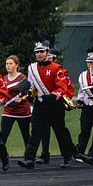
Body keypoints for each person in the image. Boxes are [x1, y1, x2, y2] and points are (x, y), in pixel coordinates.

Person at [17, 40, 77, 169]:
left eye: (41, 52)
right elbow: (32, 86)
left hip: (54, 105)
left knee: (60, 132)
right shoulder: (32, 68)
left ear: (47, 52)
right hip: (40, 104)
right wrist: (26, 94)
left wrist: (52, 95)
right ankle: (29, 159)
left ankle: (67, 157)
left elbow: (62, 88)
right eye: (37, 52)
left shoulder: (57, 68)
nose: (39, 54)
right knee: (35, 131)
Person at [1, 55, 32, 150]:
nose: (8, 66)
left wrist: (22, 99)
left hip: (22, 112)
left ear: (17, 65)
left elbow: (30, 92)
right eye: (6, 64)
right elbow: (2, 93)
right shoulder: (4, 78)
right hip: (8, 111)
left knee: (26, 135)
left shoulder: (22, 77)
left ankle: (29, 157)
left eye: (10, 63)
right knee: (3, 135)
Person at [75, 46, 93, 162]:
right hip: (87, 105)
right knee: (85, 129)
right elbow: (81, 90)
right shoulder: (82, 75)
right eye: (89, 63)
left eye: (92, 62)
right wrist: (79, 100)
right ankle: (80, 151)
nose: (90, 65)